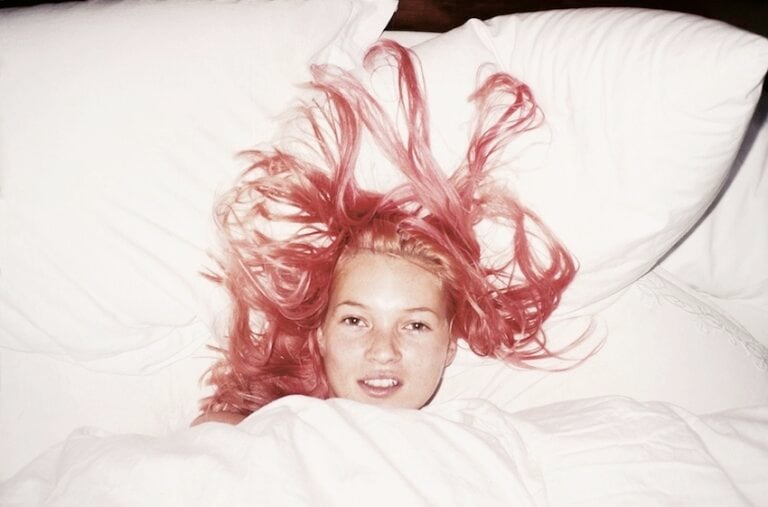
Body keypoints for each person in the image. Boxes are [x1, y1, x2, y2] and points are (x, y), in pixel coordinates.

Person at [193, 40, 575, 425]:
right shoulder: (244, 434)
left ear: (449, 348)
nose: (383, 351)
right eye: (355, 321)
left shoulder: (481, 438)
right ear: (321, 335)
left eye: (415, 325)